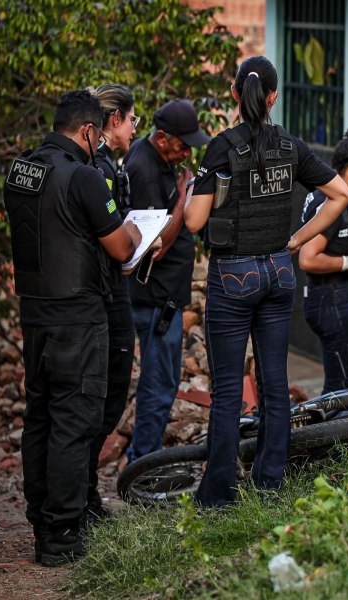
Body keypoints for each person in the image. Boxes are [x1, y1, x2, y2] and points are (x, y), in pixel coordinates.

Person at [184, 55, 348, 507]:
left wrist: (189, 193)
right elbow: (342, 194)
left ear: (236, 95)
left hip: (233, 276)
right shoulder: (292, 147)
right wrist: (297, 238)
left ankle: (218, 494)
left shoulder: (222, 147)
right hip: (280, 272)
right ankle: (269, 484)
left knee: (226, 391)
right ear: (273, 97)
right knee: (275, 384)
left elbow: (196, 221)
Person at [2, 90, 141, 566]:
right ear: (87, 131)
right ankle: (61, 534)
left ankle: (42, 520)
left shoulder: (21, 169)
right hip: (78, 316)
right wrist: (136, 231)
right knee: (73, 422)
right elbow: (121, 248)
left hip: (34, 314)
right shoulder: (83, 176)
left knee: (39, 417)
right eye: (97, 135)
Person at [124, 99, 210, 463]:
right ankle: (144, 463)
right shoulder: (144, 168)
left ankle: (142, 457)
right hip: (154, 299)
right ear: (162, 138)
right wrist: (182, 194)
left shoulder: (158, 160)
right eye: (181, 144)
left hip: (163, 298)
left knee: (160, 384)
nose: (187, 152)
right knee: (159, 386)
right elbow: (154, 245)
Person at [84, 83, 139, 523]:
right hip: (105, 294)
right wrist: (136, 238)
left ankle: (84, 494)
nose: (135, 128)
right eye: (133, 119)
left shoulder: (107, 163)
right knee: (106, 393)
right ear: (115, 118)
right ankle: (83, 495)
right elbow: (112, 241)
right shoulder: (96, 166)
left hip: (112, 289)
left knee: (110, 394)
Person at [298, 119, 348, 393]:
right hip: (331, 301)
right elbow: (308, 258)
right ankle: (330, 436)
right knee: (343, 387)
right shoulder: (332, 203)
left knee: (342, 384)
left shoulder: (325, 195)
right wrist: (347, 263)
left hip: (330, 301)